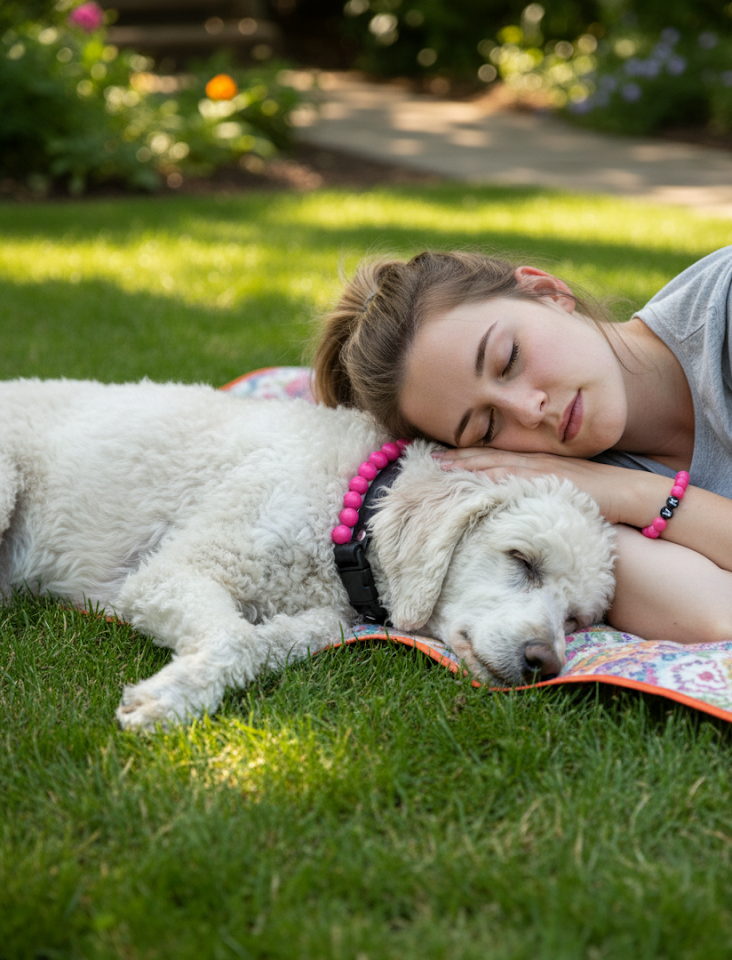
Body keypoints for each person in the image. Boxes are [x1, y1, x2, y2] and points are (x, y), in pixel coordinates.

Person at [311, 247, 732, 645]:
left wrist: (637, 494)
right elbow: (719, 616)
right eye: (487, 427)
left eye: (509, 359)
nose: (529, 410)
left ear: (546, 291)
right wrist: (615, 493)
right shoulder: (576, 507)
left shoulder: (722, 309)